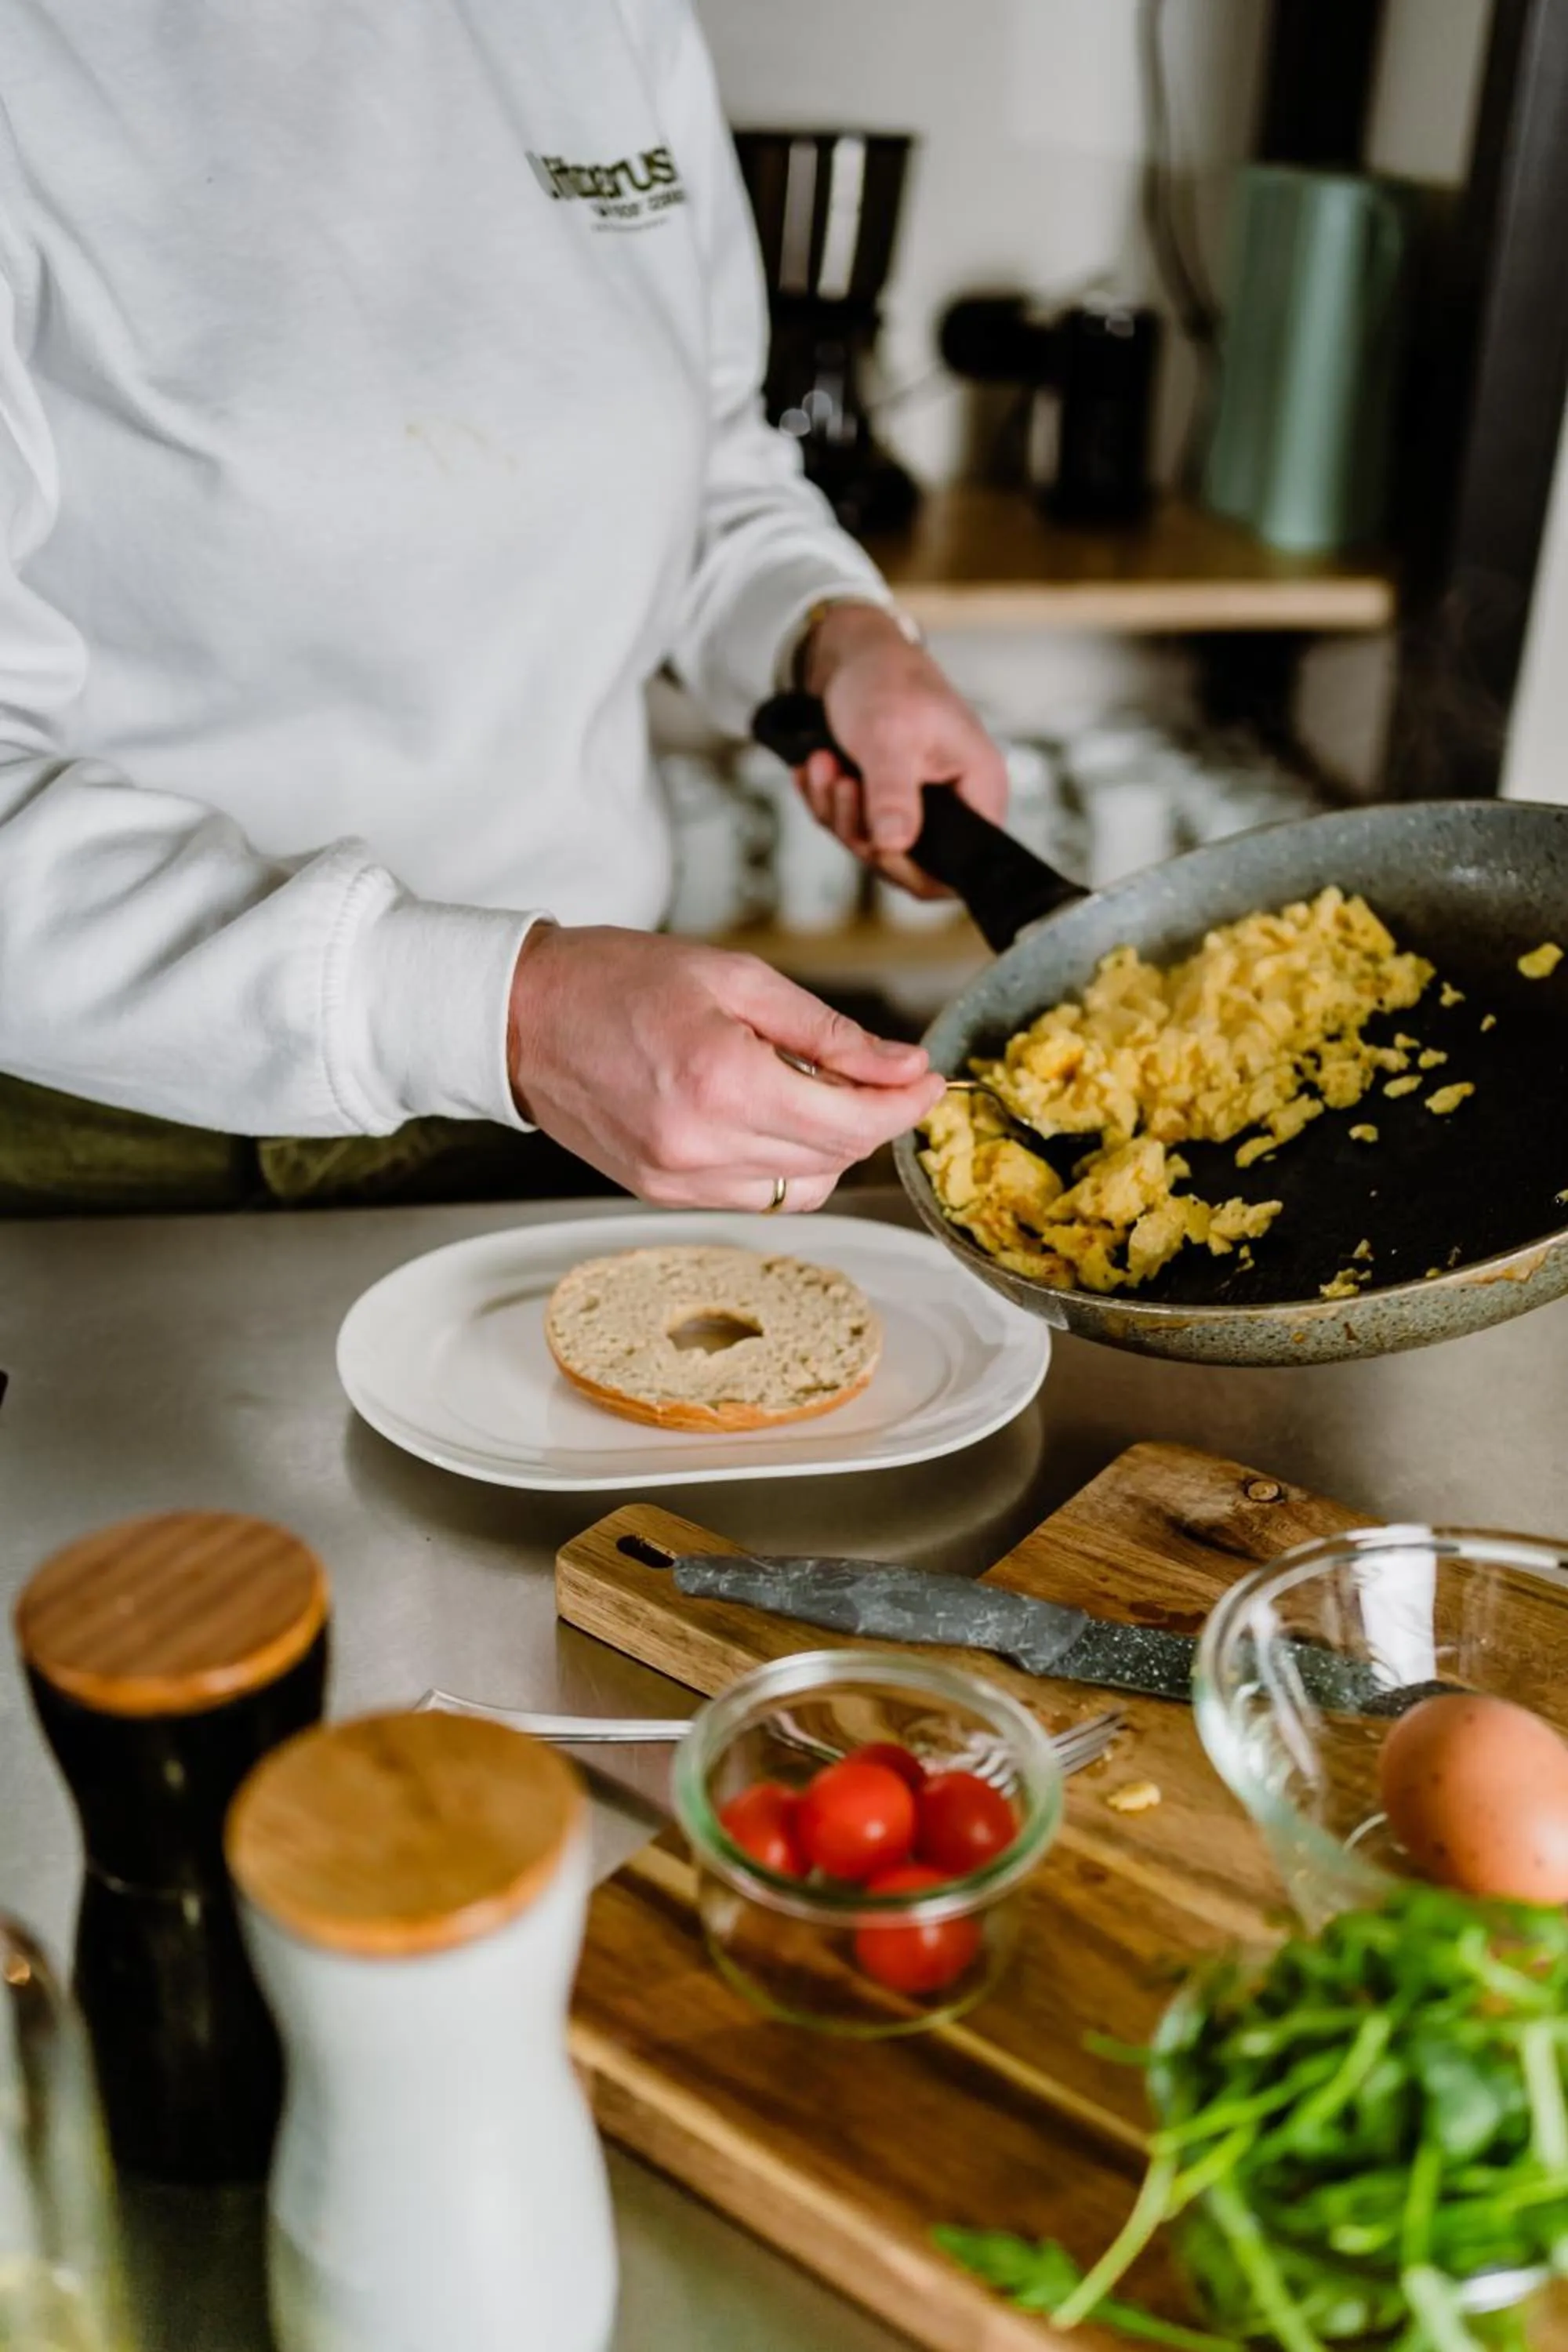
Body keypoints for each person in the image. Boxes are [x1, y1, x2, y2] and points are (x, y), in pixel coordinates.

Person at [0, 0, 1006, 1216]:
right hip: (131, 1133)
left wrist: (827, 628)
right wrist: (499, 1012)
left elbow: (715, 464)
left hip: (590, 1100)